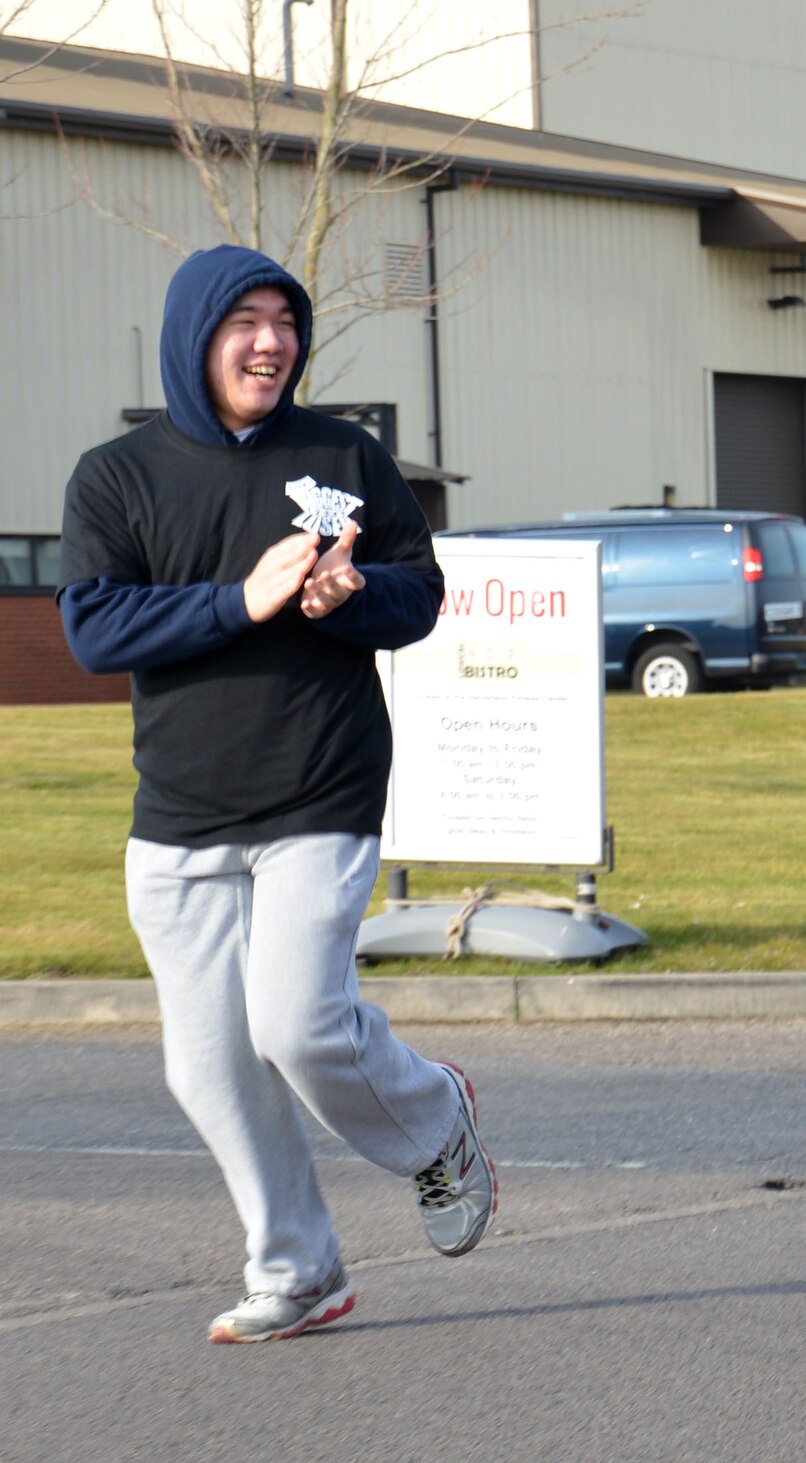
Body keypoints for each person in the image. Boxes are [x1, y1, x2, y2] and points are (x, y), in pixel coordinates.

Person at [58, 245, 497, 1344]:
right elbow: (93, 627)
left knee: (298, 1025)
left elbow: (420, 590)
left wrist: (353, 592)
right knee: (206, 1062)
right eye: (243, 320)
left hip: (320, 785)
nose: (270, 340)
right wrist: (241, 600)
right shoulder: (116, 476)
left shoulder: (341, 452)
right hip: (182, 813)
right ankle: (298, 1267)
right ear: (193, 337)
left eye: (284, 320)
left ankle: (435, 1118)